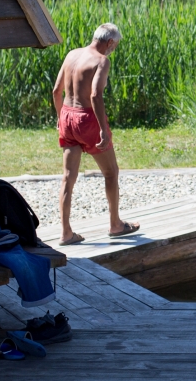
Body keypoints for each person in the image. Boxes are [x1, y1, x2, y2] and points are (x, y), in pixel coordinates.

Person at [52, 23, 139, 245]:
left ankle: (66, 233)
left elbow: (56, 91)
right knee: (111, 173)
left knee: (68, 177)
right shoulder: (101, 61)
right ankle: (115, 224)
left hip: (67, 116)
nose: (114, 49)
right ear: (109, 42)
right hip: (87, 119)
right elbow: (95, 96)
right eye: (115, 45)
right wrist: (102, 129)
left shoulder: (72, 54)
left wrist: (61, 117)